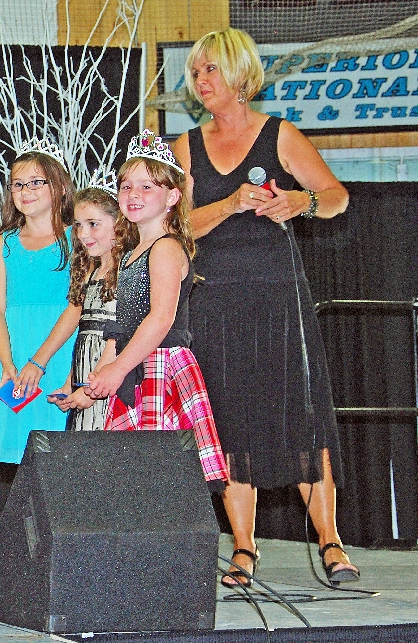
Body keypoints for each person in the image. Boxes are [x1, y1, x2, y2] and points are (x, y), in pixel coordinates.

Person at [172, 28, 357, 586]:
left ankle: (331, 541)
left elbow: (337, 197)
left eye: (212, 70)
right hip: (212, 298)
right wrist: (229, 204)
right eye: (197, 72)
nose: (203, 81)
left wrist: (300, 202)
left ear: (241, 77)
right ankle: (244, 550)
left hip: (278, 297)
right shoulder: (184, 146)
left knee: (299, 414)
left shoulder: (280, 135)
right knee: (227, 420)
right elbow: (176, 227)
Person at [84, 130, 229, 493]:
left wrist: (118, 367)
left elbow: (160, 318)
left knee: (162, 475)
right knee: (135, 477)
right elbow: (122, 322)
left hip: (160, 366)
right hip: (137, 363)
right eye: (126, 186)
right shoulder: (131, 253)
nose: (133, 195)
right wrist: (103, 369)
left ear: (172, 196)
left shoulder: (165, 248)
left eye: (147, 187)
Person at [0, 138, 76, 464]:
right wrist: (8, 362)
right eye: (18, 184)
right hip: (17, 350)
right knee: (27, 460)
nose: (26, 190)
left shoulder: (77, 238)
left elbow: (77, 304)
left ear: (60, 187)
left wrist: (39, 361)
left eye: (37, 181)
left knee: (64, 453)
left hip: (59, 349)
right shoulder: (4, 244)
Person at [35, 174, 120, 430]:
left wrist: (92, 388)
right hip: (86, 383)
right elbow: (85, 337)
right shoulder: (90, 273)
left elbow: (117, 340)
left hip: (106, 383)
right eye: (79, 225)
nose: (83, 234)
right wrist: (71, 384)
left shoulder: (126, 272)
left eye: (93, 224)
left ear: (120, 224)